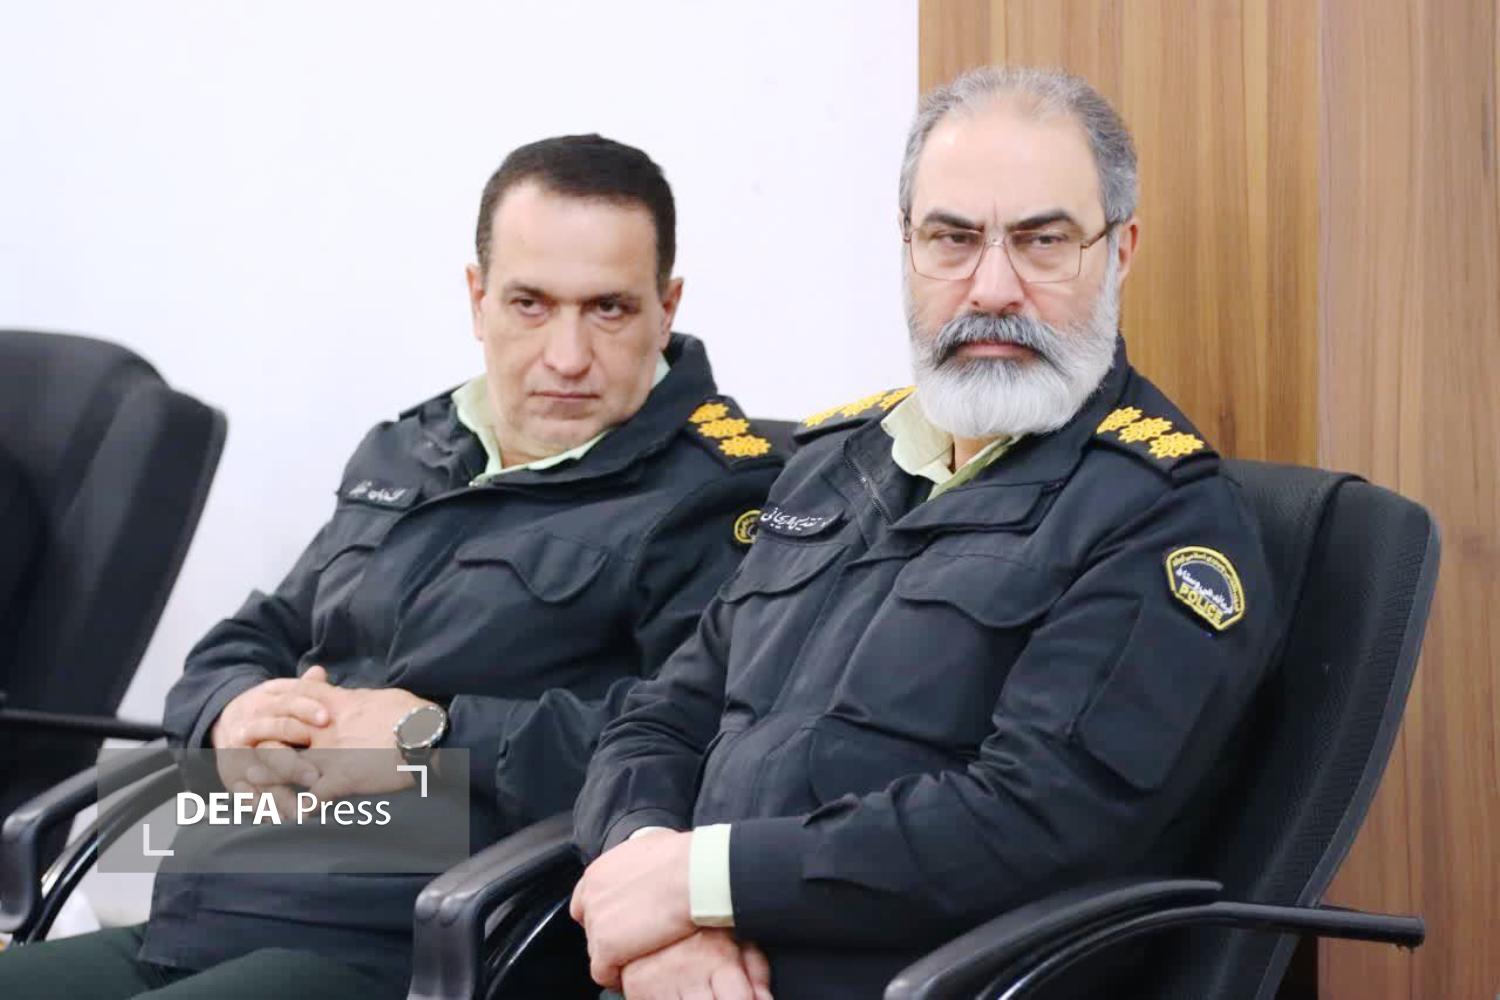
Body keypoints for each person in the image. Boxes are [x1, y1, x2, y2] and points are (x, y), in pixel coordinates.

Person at [0, 134, 782, 999]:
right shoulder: (412, 448)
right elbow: (258, 633)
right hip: (211, 903)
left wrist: (431, 735)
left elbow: (694, 743)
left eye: (608, 309)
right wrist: (234, 709)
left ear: (665, 308)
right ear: (478, 298)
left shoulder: (716, 495)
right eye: (529, 304)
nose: (566, 356)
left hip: (413, 945)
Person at [570, 67, 1278, 1000]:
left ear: (1120, 251)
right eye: (953, 238)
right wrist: (655, 889)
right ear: (906, 245)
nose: (993, 288)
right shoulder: (835, 464)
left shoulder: (1163, 517)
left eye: (1043, 241)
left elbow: (1034, 826)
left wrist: (702, 883)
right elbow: (662, 717)